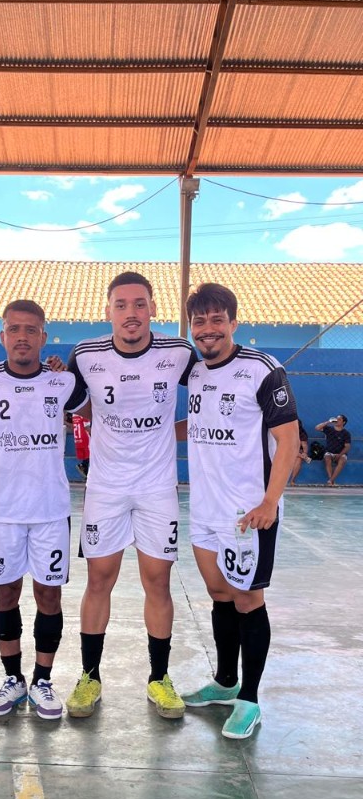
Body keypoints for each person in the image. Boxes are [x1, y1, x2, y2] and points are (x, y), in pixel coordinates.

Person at [65, 271, 197, 719]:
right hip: (105, 486)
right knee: (99, 579)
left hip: (158, 486)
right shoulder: (85, 355)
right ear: (108, 311)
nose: (131, 313)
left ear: (153, 308)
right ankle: (89, 677)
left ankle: (159, 678)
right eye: (121, 305)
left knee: (157, 581)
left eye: (139, 304)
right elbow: (74, 406)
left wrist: (184, 432)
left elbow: (212, 392)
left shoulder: (178, 352)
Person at [0, 300, 88, 720]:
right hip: (2, 512)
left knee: (49, 594)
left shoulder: (63, 383)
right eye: (14, 329)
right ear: (3, 336)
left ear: (43, 338)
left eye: (31, 330)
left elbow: (94, 416)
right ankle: (13, 678)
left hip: (50, 510)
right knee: (6, 592)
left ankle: (43, 681)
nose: (22, 337)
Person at [179, 282, 299, 739]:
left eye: (216, 320)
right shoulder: (195, 372)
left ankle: (249, 698)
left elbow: (288, 440)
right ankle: (225, 683)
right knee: (219, 593)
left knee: (249, 599)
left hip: (249, 513)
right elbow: (200, 423)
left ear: (233, 321)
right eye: (199, 321)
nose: (207, 330)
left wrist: (269, 501)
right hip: (205, 507)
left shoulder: (263, 370)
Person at [314, 414, 351, 487]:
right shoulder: (329, 429)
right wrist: (328, 422)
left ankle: (331, 480)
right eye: (336, 419)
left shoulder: (346, 433)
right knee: (327, 457)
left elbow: (347, 447)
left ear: (343, 422)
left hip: (340, 453)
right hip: (329, 452)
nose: (337, 420)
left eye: (339, 419)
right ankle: (331, 480)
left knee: (343, 459)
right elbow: (317, 428)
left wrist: (339, 455)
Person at [288, 418, 311, 486]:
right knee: (298, 454)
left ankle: (292, 480)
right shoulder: (286, 432)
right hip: (284, 450)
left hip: (296, 452)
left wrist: (305, 453)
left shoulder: (302, 433)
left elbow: (304, 445)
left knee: (299, 459)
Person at [72, 412, 91, 480]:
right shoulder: (84, 413)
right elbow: (87, 427)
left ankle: (84, 467)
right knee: (92, 455)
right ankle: (83, 466)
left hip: (78, 439)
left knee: (87, 457)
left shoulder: (74, 414)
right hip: (85, 438)